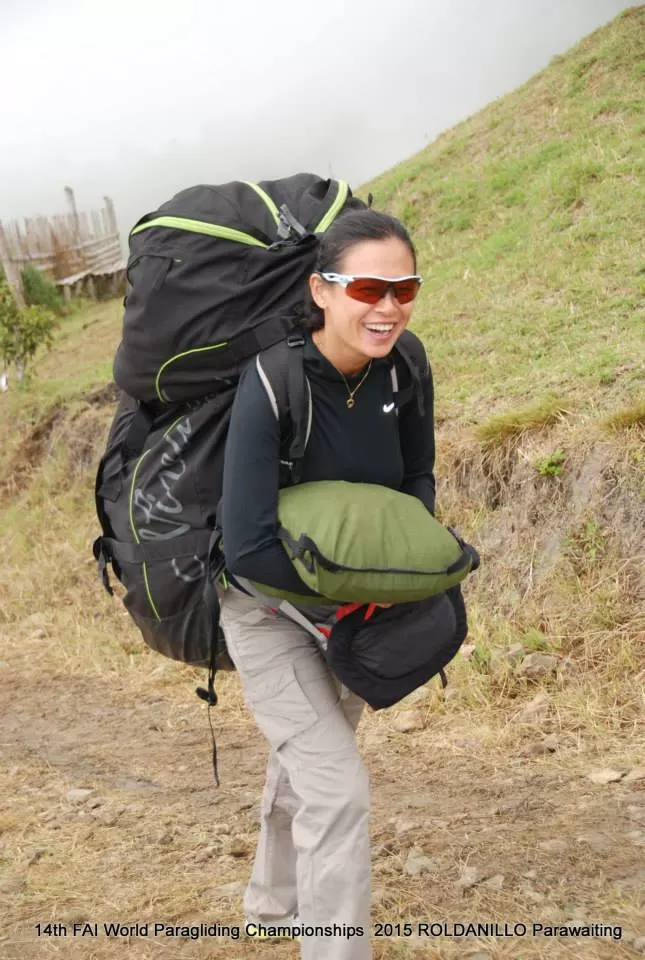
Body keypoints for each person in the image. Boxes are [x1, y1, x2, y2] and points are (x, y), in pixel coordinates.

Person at [218, 207, 436, 960]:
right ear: (321, 289)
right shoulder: (272, 382)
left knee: (311, 758)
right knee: (337, 789)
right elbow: (246, 544)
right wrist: (347, 592)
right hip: (265, 610)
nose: (388, 307)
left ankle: (272, 904)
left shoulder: (407, 367)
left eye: (403, 288)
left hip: (357, 609)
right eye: (369, 287)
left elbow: (415, 477)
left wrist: (403, 577)